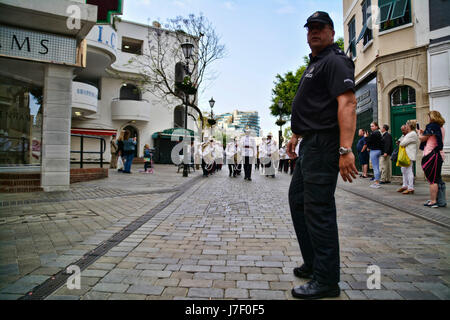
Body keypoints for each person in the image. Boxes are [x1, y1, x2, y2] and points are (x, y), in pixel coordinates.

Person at [286, 11, 357, 300]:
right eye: (310, 28)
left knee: (319, 210)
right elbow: (315, 106)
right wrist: (296, 134)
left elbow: (348, 103)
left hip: (325, 145)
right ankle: (315, 263)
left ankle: (326, 280)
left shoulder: (335, 60)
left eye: (320, 28)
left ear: (331, 32)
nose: (314, 32)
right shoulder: (317, 63)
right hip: (310, 144)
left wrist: (345, 149)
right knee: (298, 201)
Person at [418, 111, 446, 208]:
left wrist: (419, 134)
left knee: (432, 180)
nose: (428, 119)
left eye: (429, 117)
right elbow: (431, 137)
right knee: (437, 179)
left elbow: (422, 139)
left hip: (432, 155)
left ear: (433, 118)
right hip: (439, 154)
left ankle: (433, 201)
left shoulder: (432, 126)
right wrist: (424, 132)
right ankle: (440, 200)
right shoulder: (441, 128)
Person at [397, 120, 418, 194]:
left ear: (409, 126)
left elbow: (402, 143)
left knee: (409, 171)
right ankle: (405, 185)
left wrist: (401, 141)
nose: (405, 126)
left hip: (409, 154)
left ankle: (410, 187)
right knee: (404, 170)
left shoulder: (412, 134)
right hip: (406, 154)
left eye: (406, 125)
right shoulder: (409, 134)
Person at [365, 122, 383, 188]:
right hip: (378, 150)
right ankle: (377, 181)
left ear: (376, 126)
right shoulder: (379, 133)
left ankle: (376, 183)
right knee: (377, 167)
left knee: (375, 167)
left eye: (372, 126)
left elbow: (368, 142)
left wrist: (366, 137)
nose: (371, 127)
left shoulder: (374, 133)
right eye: (371, 126)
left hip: (374, 151)